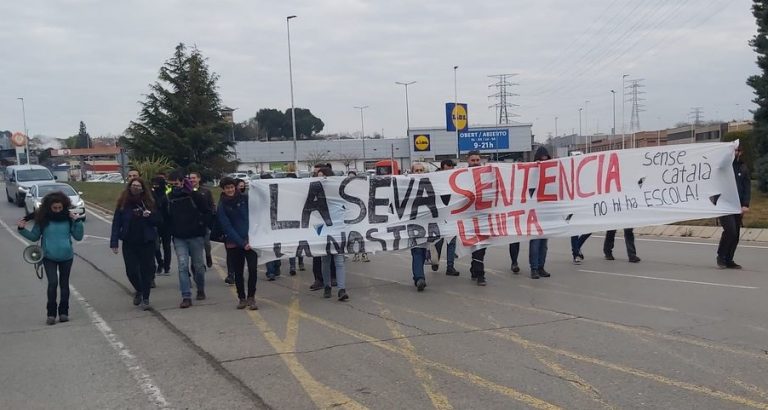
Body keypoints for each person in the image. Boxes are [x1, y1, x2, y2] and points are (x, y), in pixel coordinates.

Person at [17, 191, 85, 325]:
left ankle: (64, 312)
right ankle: (51, 313)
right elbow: (34, 237)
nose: (58, 210)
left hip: (67, 257)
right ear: (49, 207)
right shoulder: (43, 221)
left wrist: (77, 221)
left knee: (64, 285)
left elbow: (78, 237)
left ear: (64, 207)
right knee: (53, 283)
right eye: (55, 208)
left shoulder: (68, 220)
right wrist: (22, 230)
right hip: (49, 257)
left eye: (60, 208)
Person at [110, 178, 160, 310]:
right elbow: (116, 223)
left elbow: (158, 221)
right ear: (129, 187)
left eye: (138, 186)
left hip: (146, 241)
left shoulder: (149, 202)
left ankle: (146, 298)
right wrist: (114, 242)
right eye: (133, 186)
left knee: (146, 270)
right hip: (129, 241)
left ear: (143, 188)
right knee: (131, 271)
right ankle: (139, 289)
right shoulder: (123, 203)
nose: (135, 188)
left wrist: (149, 216)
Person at [167, 170, 212, 308]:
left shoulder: (194, 195)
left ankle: (200, 288)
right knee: (182, 265)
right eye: (172, 184)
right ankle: (186, 295)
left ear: (182, 181)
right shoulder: (168, 198)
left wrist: (202, 226)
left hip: (195, 236)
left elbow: (206, 211)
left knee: (198, 266)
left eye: (177, 183)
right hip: (179, 237)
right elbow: (165, 217)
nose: (175, 186)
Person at [217, 177, 259, 309]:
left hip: (250, 241)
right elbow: (227, 226)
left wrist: (251, 239)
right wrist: (242, 243)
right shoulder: (222, 205)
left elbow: (254, 216)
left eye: (231, 187)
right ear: (223, 189)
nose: (230, 190)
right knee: (238, 272)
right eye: (227, 188)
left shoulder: (244, 199)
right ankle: (241, 297)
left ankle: (251, 297)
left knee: (253, 269)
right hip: (234, 243)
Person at [317, 167, 349, 301]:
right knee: (325, 260)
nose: (319, 179)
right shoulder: (315, 192)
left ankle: (341, 289)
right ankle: (327, 286)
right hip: (323, 230)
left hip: (337, 230)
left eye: (322, 176)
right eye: (317, 176)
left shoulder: (337, 192)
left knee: (339, 261)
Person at [717, 145, 751, 269]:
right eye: (734, 150)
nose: (736, 152)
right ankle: (721, 256)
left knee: (736, 233)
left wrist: (745, 204)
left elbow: (747, 187)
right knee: (730, 230)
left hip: (737, 206)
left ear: (741, 152)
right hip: (724, 204)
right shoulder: (724, 166)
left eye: (738, 150)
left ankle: (729, 259)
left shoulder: (743, 167)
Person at [433, 159, 460, 276]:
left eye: (452, 166)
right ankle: (435, 260)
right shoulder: (435, 179)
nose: (451, 168)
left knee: (452, 242)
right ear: (443, 166)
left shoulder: (454, 179)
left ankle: (450, 266)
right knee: (439, 241)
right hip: (439, 216)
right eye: (449, 166)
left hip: (451, 215)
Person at [406, 163, 430, 291]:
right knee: (416, 250)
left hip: (426, 223)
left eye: (421, 170)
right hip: (412, 223)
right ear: (412, 172)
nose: (419, 172)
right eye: (416, 170)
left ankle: (417, 276)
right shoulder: (405, 185)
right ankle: (420, 278)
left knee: (422, 251)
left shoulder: (430, 185)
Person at [529, 147, 552, 279]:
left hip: (546, 212)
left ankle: (541, 266)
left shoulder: (551, 172)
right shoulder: (531, 173)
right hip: (534, 212)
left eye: (546, 160)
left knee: (544, 244)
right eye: (541, 160)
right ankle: (534, 268)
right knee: (535, 243)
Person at [466, 151, 488, 286]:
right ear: (468, 161)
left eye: (477, 160)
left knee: (482, 246)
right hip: (467, 216)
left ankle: (477, 270)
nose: (475, 163)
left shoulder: (486, 175)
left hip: (483, 215)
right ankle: (477, 271)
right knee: (475, 244)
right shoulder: (461, 177)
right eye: (473, 160)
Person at [188, 171, 215, 268]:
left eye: (194, 178)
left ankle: (208, 255)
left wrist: (210, 218)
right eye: (190, 178)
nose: (192, 180)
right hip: (192, 223)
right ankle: (198, 263)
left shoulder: (206, 191)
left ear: (199, 179)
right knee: (194, 246)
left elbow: (211, 205)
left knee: (206, 243)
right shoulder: (187, 192)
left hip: (204, 222)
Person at [151, 176, 172, 275]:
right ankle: (160, 262)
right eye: (154, 183)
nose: (156, 185)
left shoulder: (167, 193)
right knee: (155, 246)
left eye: (157, 183)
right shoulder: (151, 194)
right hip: (155, 223)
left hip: (167, 224)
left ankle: (167, 266)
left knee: (166, 246)